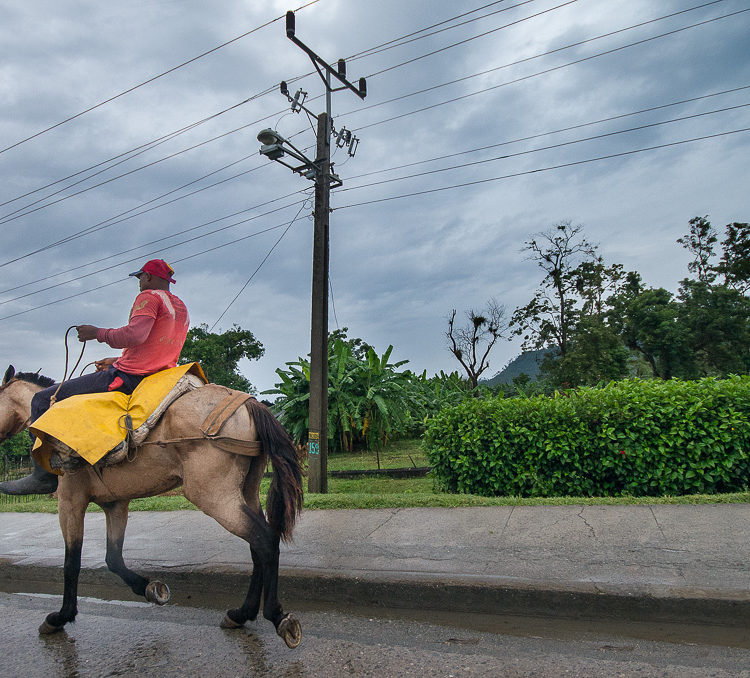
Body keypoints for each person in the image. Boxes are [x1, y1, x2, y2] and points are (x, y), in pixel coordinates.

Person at [0, 259, 189, 495]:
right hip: (158, 376)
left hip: (129, 377)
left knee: (41, 400)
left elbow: (136, 334)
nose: (139, 282)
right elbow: (155, 345)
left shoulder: (148, 297)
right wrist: (115, 360)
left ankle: (43, 476)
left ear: (149, 277)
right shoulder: (180, 307)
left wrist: (96, 333)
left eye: (140, 277)